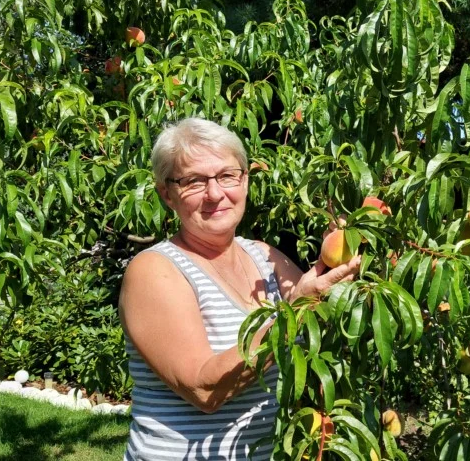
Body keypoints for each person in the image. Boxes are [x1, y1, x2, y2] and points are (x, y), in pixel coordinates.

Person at [119, 117, 360, 460]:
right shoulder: (154, 271)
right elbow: (204, 389)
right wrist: (292, 314)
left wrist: (344, 258)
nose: (215, 193)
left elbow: (323, 314)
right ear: (167, 194)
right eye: (193, 181)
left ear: (245, 181)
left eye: (227, 175)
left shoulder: (263, 255)